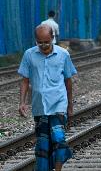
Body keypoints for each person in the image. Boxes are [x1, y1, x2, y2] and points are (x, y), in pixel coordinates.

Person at [18, 24, 77, 171]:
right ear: (36, 40)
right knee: (43, 144)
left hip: (58, 104)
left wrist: (70, 106)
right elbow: (25, 80)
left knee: (58, 139)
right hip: (39, 106)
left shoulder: (63, 54)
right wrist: (22, 103)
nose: (43, 45)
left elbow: (68, 81)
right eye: (40, 42)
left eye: (46, 42)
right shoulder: (29, 55)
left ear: (52, 38)